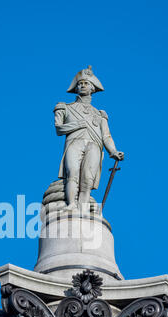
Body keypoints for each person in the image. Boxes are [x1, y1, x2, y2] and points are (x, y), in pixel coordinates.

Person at [54, 66, 124, 210]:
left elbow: (106, 136)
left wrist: (113, 151)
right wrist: (79, 124)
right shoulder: (65, 107)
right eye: (80, 83)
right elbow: (59, 129)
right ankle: (71, 204)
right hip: (74, 143)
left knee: (87, 179)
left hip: (94, 145)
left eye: (86, 83)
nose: (83, 86)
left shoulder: (100, 114)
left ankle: (83, 208)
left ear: (92, 88)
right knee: (72, 172)